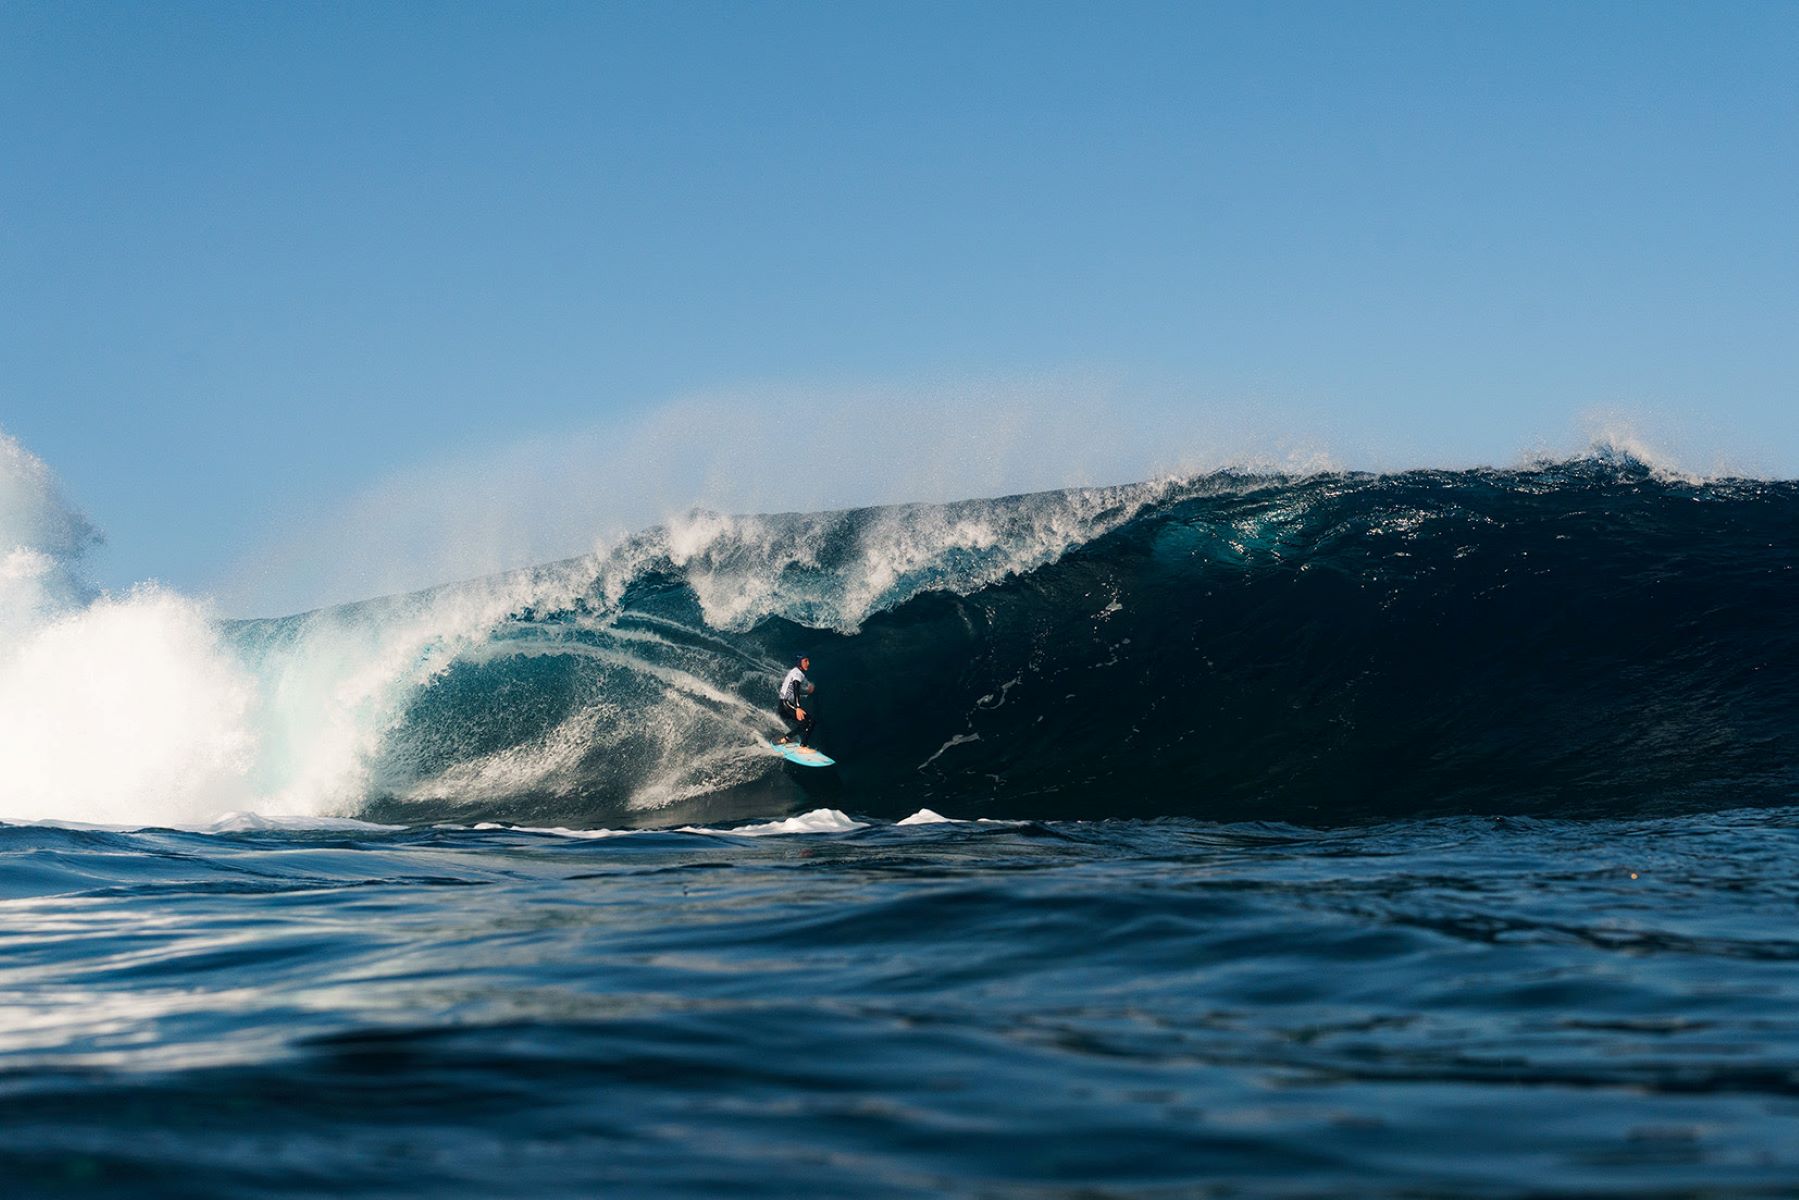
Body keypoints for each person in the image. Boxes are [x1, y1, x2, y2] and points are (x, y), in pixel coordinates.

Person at [776, 653, 815, 746]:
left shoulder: (794, 672)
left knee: (805, 723)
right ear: (799, 662)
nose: (808, 663)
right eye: (805, 661)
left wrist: (807, 692)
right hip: (786, 704)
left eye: (808, 660)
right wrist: (798, 707)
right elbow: (796, 686)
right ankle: (803, 747)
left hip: (783, 705)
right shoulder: (798, 673)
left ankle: (785, 739)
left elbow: (794, 689)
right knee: (810, 722)